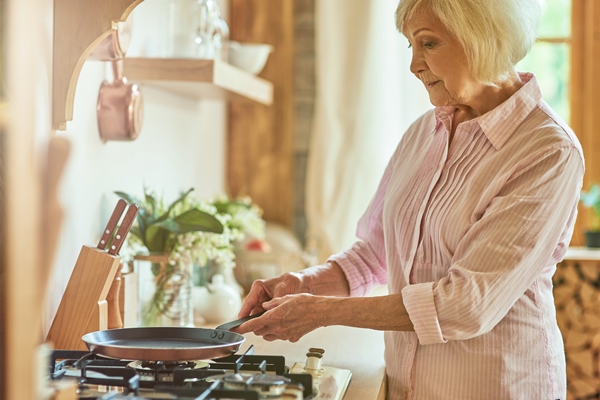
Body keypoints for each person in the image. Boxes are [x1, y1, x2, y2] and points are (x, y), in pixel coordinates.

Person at [235, 0, 584, 398]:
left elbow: (467, 304)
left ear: (482, 37)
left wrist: (320, 312)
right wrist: (303, 285)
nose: (414, 64)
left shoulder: (548, 151)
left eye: (429, 43)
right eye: (410, 47)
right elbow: (375, 253)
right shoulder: (423, 133)